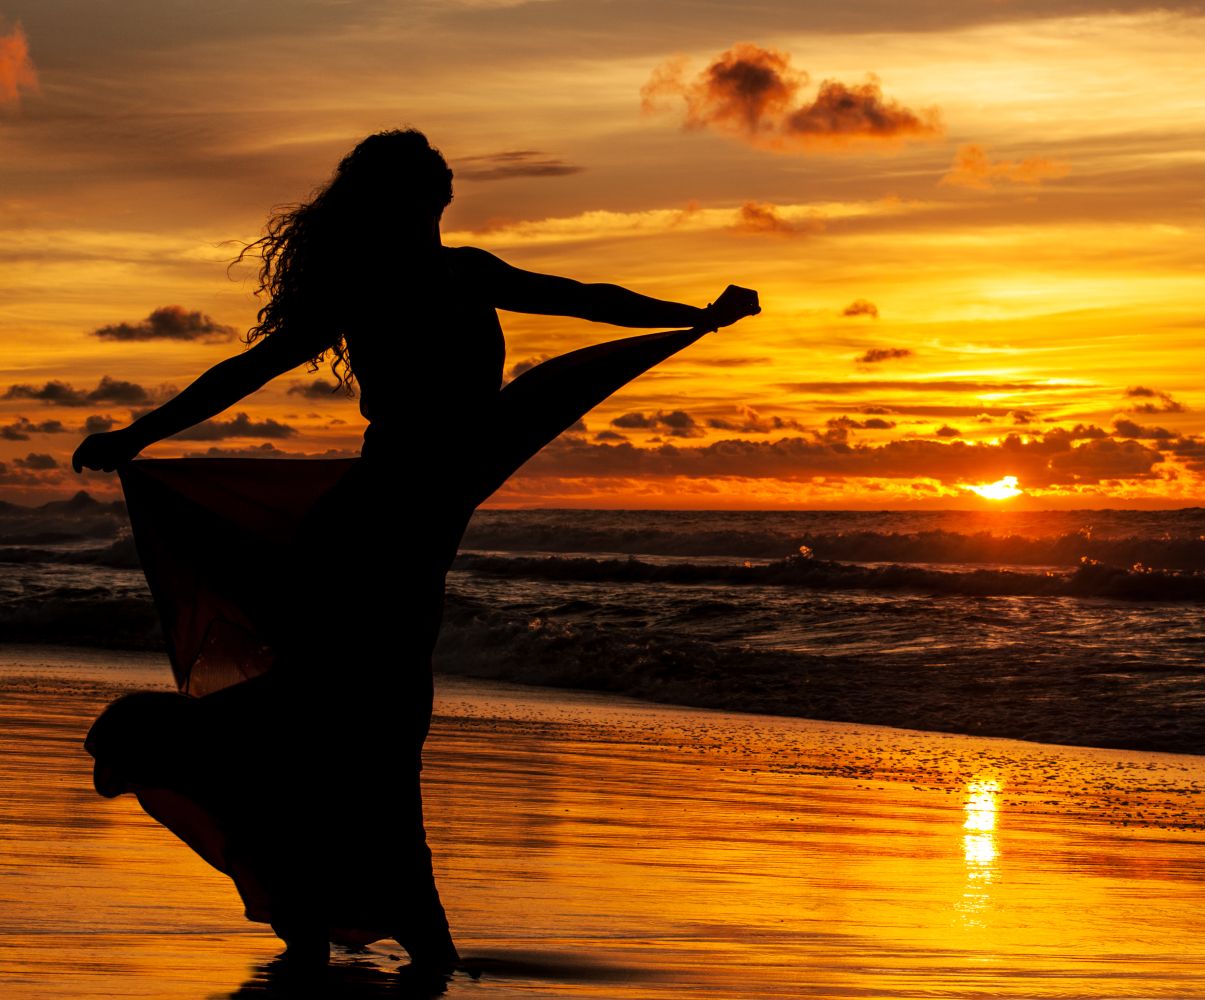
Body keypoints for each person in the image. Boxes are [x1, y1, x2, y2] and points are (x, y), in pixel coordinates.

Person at [73, 128, 759, 970]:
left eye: (439, 190)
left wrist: (695, 316)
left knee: (365, 716)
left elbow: (584, 297)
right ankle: (198, 774)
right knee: (372, 718)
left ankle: (304, 883)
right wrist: (139, 434)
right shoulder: (364, 289)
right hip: (373, 524)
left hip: (412, 526)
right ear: (398, 204)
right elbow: (244, 375)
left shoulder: (470, 271)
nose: (436, 201)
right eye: (422, 190)